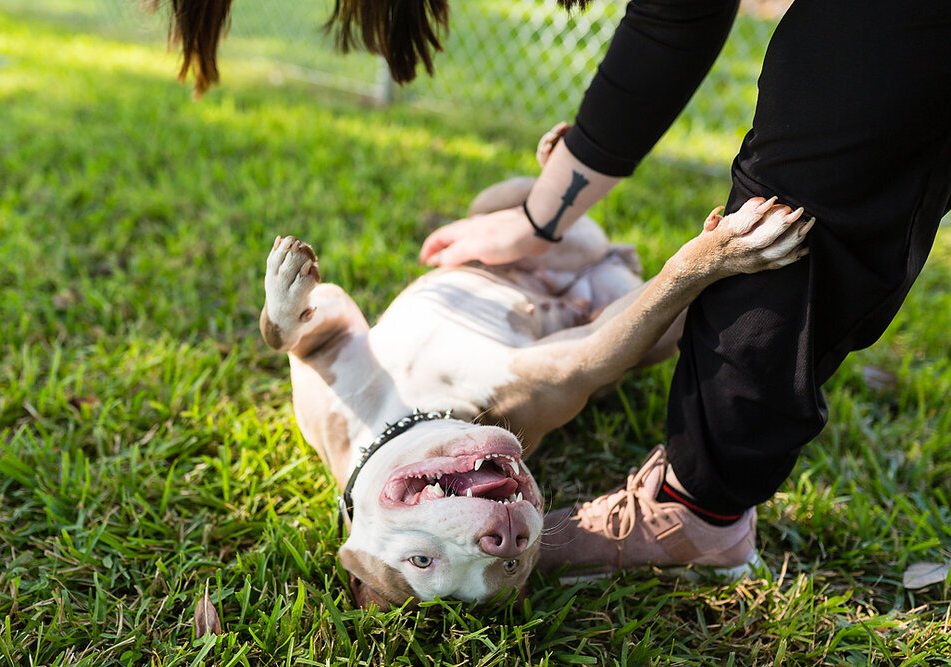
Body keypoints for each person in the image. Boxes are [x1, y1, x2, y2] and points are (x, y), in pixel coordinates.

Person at [161, 0, 951, 577]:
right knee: (696, 296)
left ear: (358, 550)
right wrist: (693, 265)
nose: (494, 546)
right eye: (507, 571)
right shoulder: (496, 418)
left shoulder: (339, 424)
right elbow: (577, 364)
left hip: (518, 275)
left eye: (434, 562)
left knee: (485, 213)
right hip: (592, 307)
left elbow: (317, 325)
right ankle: (700, 499)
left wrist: (280, 316)